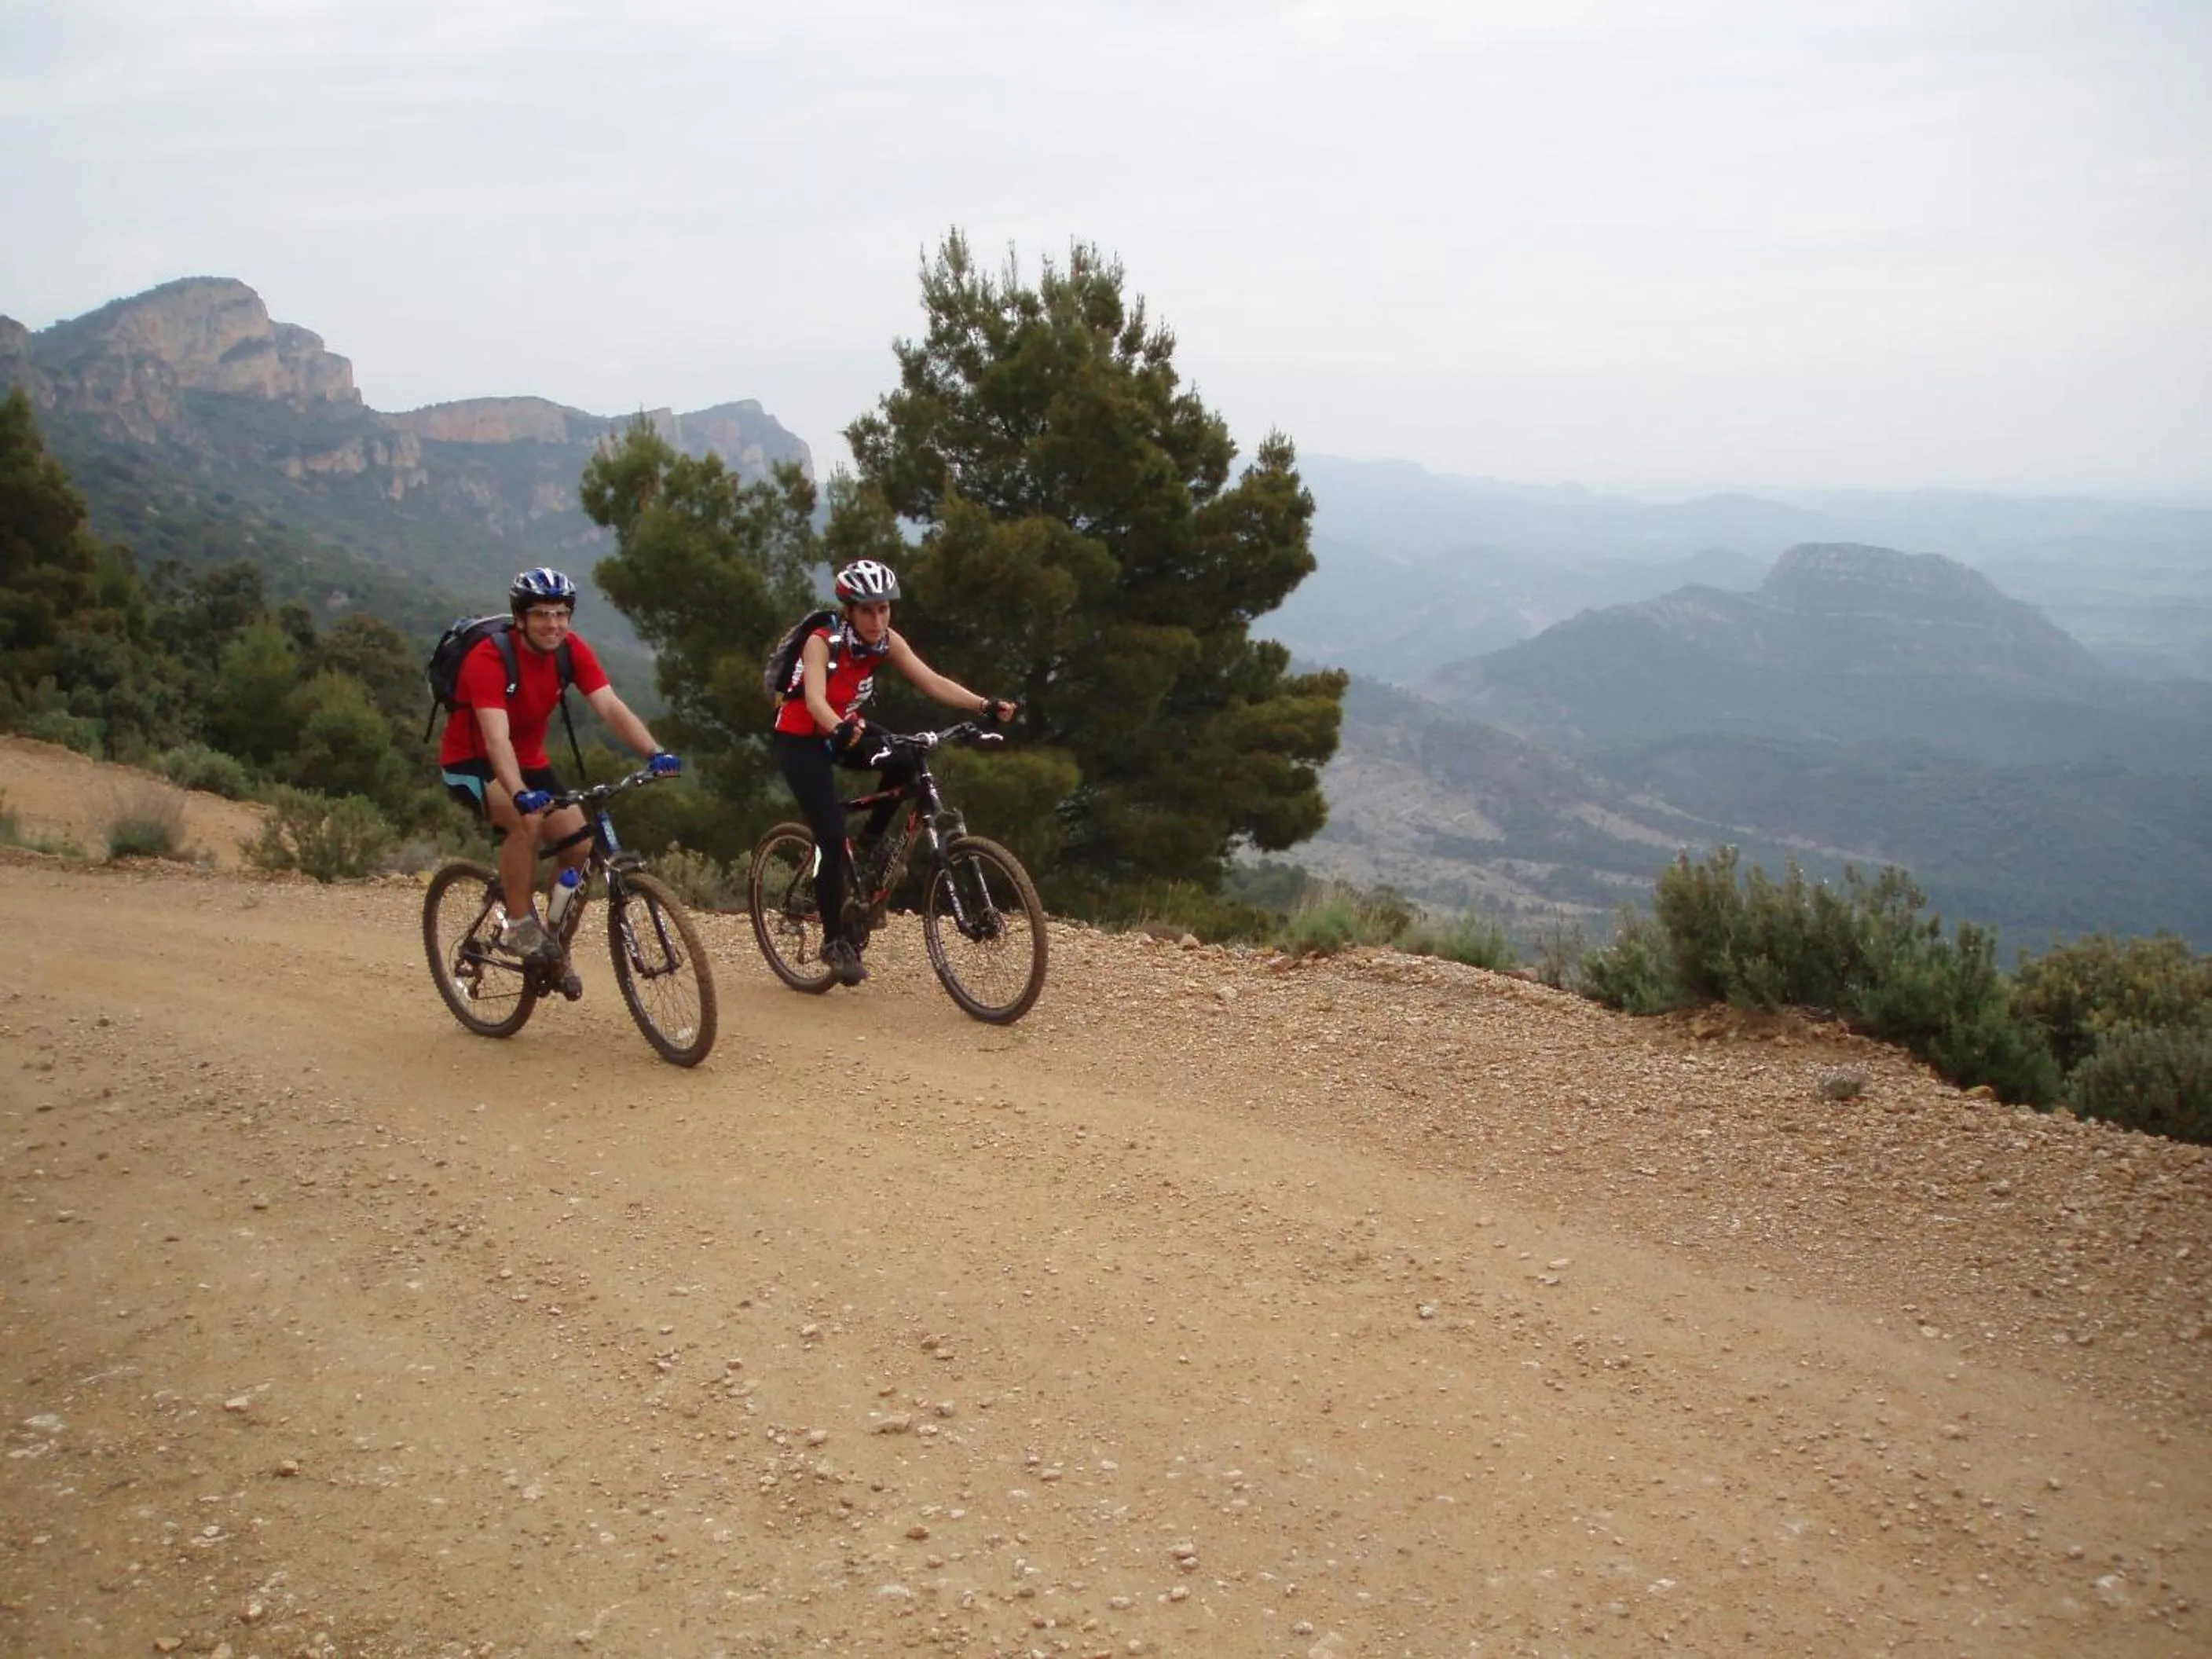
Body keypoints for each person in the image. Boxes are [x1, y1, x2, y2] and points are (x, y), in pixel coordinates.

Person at [771, 558, 1014, 986]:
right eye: (867, 610)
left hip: (845, 727)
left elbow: (932, 680)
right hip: (802, 738)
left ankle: (868, 849)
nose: (877, 619)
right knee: (828, 837)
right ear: (848, 610)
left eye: (884, 609)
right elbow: (813, 701)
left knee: (907, 759)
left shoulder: (885, 641)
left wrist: (983, 705)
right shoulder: (822, 641)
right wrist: (841, 727)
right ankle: (834, 941)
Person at [439, 567, 680, 963]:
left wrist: (654, 752)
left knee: (581, 846)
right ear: (520, 619)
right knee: (526, 822)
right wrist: (518, 793)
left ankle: (552, 943)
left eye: (560, 613)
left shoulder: (571, 650)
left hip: (531, 761)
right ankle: (519, 927)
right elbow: (496, 739)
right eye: (541, 614)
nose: (553, 624)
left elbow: (609, 706)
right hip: (473, 761)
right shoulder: (489, 658)